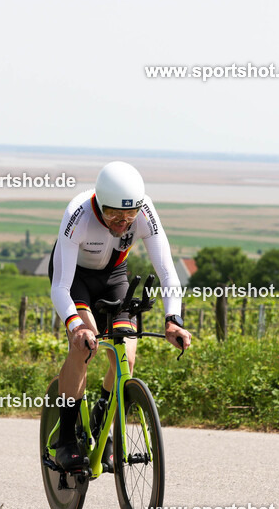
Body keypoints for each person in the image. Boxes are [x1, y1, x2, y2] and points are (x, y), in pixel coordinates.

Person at [48, 161, 191, 471]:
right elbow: (60, 285)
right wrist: (75, 326)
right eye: (113, 215)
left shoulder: (145, 212)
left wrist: (173, 319)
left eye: (129, 217)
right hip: (76, 280)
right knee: (85, 345)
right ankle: (68, 436)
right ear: (100, 204)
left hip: (114, 277)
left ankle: (103, 414)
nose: (122, 224)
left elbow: (167, 271)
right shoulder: (79, 214)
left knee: (126, 353)